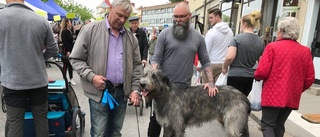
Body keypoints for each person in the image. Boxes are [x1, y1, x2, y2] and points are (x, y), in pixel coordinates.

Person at [68, 0, 142, 136]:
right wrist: (92, 77)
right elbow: (75, 59)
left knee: (115, 132)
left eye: (125, 17)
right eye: (119, 15)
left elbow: (137, 66)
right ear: (111, 8)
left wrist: (135, 89)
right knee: (99, 133)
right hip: (99, 93)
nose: (122, 20)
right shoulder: (90, 30)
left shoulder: (131, 38)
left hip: (121, 93)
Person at [149, 2, 218, 136]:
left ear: (189, 16)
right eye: (175, 17)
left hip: (183, 91)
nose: (178, 20)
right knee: (155, 123)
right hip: (163, 88)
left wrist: (211, 83)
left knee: (176, 127)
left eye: (181, 16)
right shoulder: (164, 34)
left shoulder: (198, 37)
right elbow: (156, 57)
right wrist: (153, 74)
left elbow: (205, 61)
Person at [0, 0, 58, 137]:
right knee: (41, 120)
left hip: (12, 82)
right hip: (38, 81)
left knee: (14, 123)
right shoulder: (40, 20)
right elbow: (53, 50)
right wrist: (39, 59)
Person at [254, 17, 315, 137]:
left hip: (272, 94)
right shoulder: (305, 51)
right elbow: (310, 78)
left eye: (277, 30)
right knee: (279, 124)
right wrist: (297, 89)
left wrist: (256, 75)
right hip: (291, 96)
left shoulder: (272, 47)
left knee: (267, 125)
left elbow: (262, 72)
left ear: (281, 31)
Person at [222, 10, 265, 96]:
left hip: (235, 75)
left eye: (241, 24)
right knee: (243, 100)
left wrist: (224, 67)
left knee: (233, 102)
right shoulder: (260, 41)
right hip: (250, 77)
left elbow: (230, 57)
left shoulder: (237, 39)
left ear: (244, 24)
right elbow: (261, 61)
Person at [202, 8, 234, 83]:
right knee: (219, 91)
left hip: (211, 64)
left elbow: (205, 51)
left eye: (211, 18)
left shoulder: (211, 32)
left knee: (206, 90)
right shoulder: (230, 32)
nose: (209, 20)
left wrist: (200, 65)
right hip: (224, 65)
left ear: (217, 17)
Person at [60, 18, 76, 85]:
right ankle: (64, 79)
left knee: (70, 65)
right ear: (66, 23)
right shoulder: (64, 31)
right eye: (70, 22)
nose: (71, 23)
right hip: (67, 49)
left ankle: (71, 78)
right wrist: (68, 51)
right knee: (66, 65)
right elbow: (65, 41)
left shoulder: (69, 31)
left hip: (70, 49)